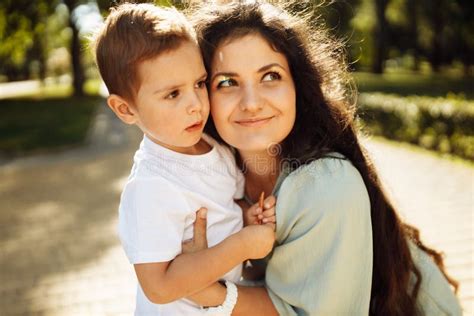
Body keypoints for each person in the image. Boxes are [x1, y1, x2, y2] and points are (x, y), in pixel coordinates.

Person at [182, 1, 462, 315]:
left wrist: (201, 287)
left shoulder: (326, 187)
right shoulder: (209, 174)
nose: (251, 103)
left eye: (270, 76)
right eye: (227, 82)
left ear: (297, 87)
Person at [91, 3, 276, 315]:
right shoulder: (150, 188)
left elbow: (226, 204)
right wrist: (243, 244)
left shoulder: (211, 147)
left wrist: (247, 217)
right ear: (125, 109)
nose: (196, 104)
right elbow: (159, 287)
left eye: (199, 83)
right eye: (173, 94)